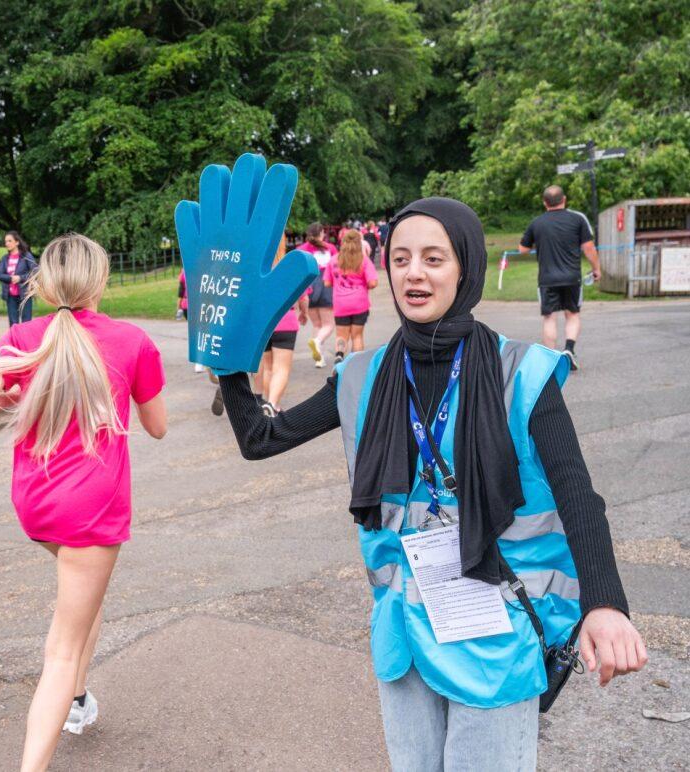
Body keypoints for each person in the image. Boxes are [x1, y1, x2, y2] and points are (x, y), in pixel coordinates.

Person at [216, 196, 645, 771]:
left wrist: (605, 604)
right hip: (406, 638)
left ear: (463, 267)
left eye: (433, 259)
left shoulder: (523, 372)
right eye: (400, 258)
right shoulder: (361, 376)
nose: (414, 272)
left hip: (496, 639)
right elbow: (260, 440)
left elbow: (577, 496)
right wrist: (226, 355)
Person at [0, 233, 166, 772]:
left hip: (37, 505)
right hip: (92, 508)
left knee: (82, 600)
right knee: (61, 650)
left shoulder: (25, 335)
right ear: (101, 281)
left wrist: (15, 392)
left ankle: (80, 699)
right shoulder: (131, 340)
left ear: (42, 284)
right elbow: (157, 427)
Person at [519, 185, 602, 371]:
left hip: (547, 280)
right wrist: (596, 269)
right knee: (572, 315)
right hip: (572, 278)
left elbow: (522, 249)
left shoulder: (537, 223)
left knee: (549, 318)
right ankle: (569, 351)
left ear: (544, 202)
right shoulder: (577, 220)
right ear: (564, 199)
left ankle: (550, 361)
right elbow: (588, 248)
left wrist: (538, 243)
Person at [258, 236, 306, 415]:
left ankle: (270, 405)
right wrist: (304, 312)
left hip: (263, 324)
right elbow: (303, 295)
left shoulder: (257, 266)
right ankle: (272, 404)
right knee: (282, 368)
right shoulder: (289, 266)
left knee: (268, 366)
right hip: (285, 321)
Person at [325, 228, 379, 363]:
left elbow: (326, 283)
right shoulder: (364, 260)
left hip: (340, 304)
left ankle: (339, 355)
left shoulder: (333, 260)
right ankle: (357, 364)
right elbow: (372, 282)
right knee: (357, 336)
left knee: (341, 335)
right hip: (359, 303)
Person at [298, 223, 337, 367]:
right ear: (321, 233)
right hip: (326, 286)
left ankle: (319, 358)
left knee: (317, 324)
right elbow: (335, 268)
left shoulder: (301, 250)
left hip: (309, 288)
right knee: (328, 324)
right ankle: (318, 342)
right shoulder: (330, 248)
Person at [0, 231, 37, 326]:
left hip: (25, 294)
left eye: (10, 241)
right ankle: (14, 341)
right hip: (10, 295)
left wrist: (20, 278)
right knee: (13, 323)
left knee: (26, 323)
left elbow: (36, 271)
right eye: (6, 241)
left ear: (17, 242)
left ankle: (25, 341)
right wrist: (11, 278)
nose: (7, 243)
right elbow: (0, 274)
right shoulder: (5, 258)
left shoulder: (26, 256)